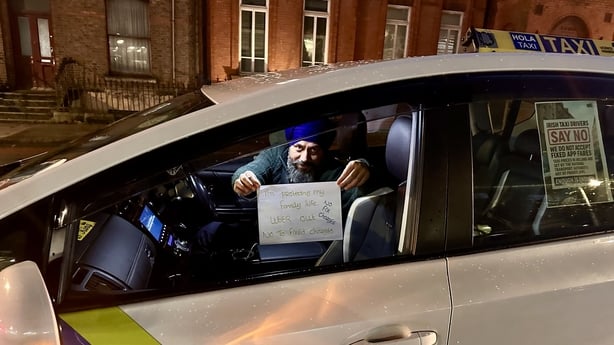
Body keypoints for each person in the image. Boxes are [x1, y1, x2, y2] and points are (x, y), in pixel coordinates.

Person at [232, 118, 371, 215]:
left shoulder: (334, 172)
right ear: (289, 145)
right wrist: (244, 179)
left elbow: (362, 196)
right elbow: (252, 169)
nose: (304, 158)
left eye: (314, 150)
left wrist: (365, 172)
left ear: (324, 151)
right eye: (298, 147)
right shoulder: (274, 156)